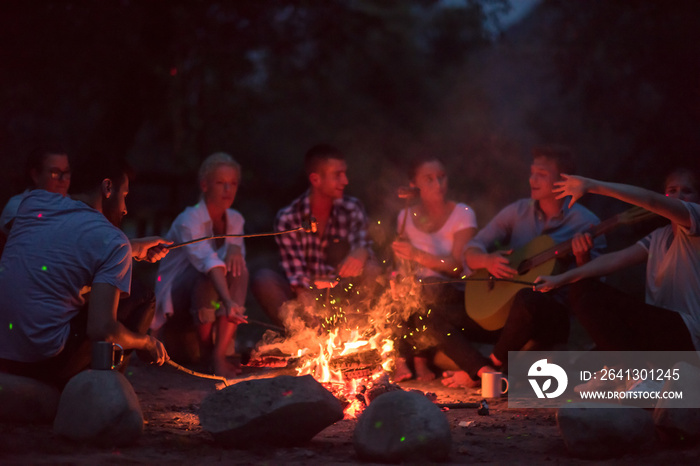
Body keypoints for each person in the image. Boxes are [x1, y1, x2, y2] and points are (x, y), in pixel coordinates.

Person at [438, 145, 606, 388]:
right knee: (433, 307)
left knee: (529, 296)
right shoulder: (517, 211)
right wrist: (487, 260)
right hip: (503, 317)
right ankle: (479, 368)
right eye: (532, 172)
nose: (532, 179)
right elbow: (472, 249)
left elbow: (592, 290)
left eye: (542, 174)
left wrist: (581, 259)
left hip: (547, 317)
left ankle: (491, 369)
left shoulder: (587, 223)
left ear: (564, 181)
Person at [0, 157, 170, 388]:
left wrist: (130, 247)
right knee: (142, 296)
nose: (125, 209)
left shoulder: (34, 202)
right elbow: (102, 329)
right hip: (44, 358)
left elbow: (67, 246)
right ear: (108, 187)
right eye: (125, 196)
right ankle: (106, 392)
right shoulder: (113, 241)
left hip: (5, 352)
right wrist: (146, 342)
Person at [535, 168, 699, 352]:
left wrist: (592, 185)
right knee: (582, 290)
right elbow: (614, 260)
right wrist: (560, 279)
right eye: (673, 190)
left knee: (584, 292)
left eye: (687, 191)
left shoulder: (697, 220)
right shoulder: (659, 237)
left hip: (688, 334)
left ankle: (630, 370)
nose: (678, 196)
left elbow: (651, 200)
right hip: (659, 331)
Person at [251, 144, 379, 328]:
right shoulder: (289, 218)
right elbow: (296, 277)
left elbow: (364, 243)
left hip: (342, 294)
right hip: (306, 294)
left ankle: (354, 331)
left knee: (372, 268)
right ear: (316, 179)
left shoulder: (352, 208)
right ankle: (302, 340)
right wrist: (309, 308)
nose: (345, 181)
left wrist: (361, 251)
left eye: (345, 173)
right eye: (338, 175)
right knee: (263, 279)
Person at [153, 153, 248, 378]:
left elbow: (234, 266)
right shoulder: (189, 219)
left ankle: (220, 352)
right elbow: (208, 262)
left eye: (233, 183)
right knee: (207, 276)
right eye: (220, 183)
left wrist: (235, 248)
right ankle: (210, 355)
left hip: (211, 291)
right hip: (177, 297)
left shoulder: (235, 220)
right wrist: (227, 300)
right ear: (204, 185)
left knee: (239, 268)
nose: (228, 190)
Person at [390, 156, 478, 381]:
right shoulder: (405, 216)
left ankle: (416, 362)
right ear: (413, 185)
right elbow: (403, 265)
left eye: (441, 177)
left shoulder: (462, 213)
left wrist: (417, 255)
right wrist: (398, 276)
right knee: (399, 290)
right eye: (429, 179)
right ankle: (408, 361)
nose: (438, 185)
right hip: (420, 291)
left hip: (455, 290)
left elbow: (457, 267)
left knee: (424, 289)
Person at [0, 145, 71, 252]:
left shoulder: (73, 204)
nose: (63, 180)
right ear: (36, 175)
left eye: (66, 172)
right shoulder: (18, 206)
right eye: (55, 173)